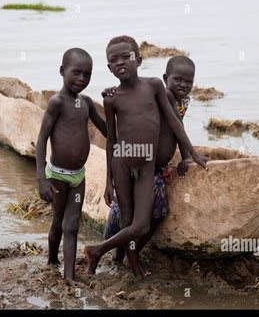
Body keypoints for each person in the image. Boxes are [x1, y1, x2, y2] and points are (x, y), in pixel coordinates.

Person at [84, 36, 207, 279]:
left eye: (126, 57)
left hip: (146, 163)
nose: (120, 63)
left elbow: (174, 121)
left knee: (139, 226)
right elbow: (112, 140)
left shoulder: (153, 86)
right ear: (108, 68)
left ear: (139, 60)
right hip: (122, 162)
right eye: (113, 60)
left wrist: (191, 153)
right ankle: (134, 265)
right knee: (127, 220)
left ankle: (97, 251)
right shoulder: (111, 98)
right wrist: (109, 181)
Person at [102, 56, 199, 272]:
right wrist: (112, 91)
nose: (183, 85)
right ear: (165, 78)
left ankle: (122, 256)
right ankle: (121, 254)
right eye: (178, 80)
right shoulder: (161, 94)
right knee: (133, 216)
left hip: (157, 168)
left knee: (149, 215)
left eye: (189, 82)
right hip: (144, 166)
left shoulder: (182, 101)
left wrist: (186, 157)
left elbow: (178, 128)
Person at [35, 48, 106, 280]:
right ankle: (52, 259)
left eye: (87, 75)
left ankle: (69, 277)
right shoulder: (57, 102)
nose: (82, 79)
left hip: (78, 176)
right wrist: (41, 179)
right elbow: (42, 138)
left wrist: (114, 104)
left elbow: (107, 131)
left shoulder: (86, 102)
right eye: (76, 73)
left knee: (72, 225)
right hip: (56, 176)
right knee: (58, 222)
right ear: (62, 71)